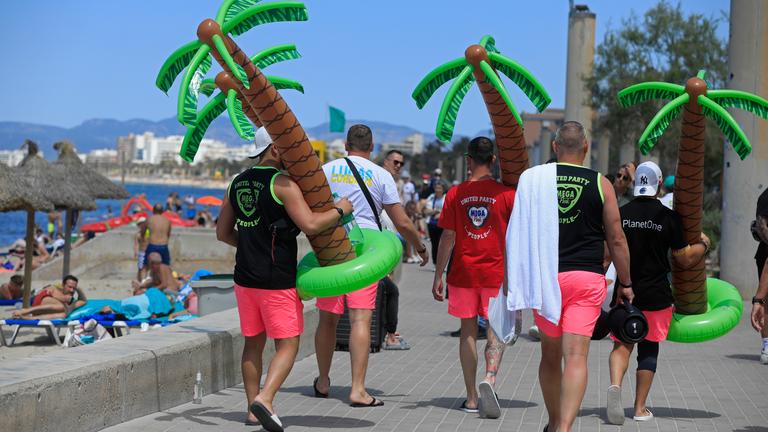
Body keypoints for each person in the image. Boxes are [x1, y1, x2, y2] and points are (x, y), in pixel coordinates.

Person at [217, 126, 353, 431]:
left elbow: (222, 233)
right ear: (276, 150)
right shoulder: (282, 183)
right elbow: (311, 223)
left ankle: (252, 411)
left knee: (252, 343)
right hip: (276, 279)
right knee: (289, 343)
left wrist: (253, 244)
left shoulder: (236, 183)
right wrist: (340, 210)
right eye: (287, 149)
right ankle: (265, 399)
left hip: (244, 278)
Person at [315, 124, 427, 408]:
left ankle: (324, 380)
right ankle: (357, 390)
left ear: (346, 145)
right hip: (366, 252)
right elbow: (401, 221)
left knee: (327, 319)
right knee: (360, 320)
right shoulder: (381, 175)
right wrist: (419, 246)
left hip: (332, 248)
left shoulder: (327, 170)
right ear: (372, 147)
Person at [533, 122, 632, 432]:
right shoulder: (601, 184)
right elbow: (616, 239)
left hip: (547, 278)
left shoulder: (537, 180)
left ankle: (553, 422)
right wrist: (626, 283)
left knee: (550, 354)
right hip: (586, 278)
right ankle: (564, 428)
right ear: (587, 148)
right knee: (576, 356)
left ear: (554, 147)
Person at [606, 161, 710, 425]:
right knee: (648, 350)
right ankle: (640, 409)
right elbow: (684, 259)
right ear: (659, 184)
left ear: (634, 181)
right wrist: (703, 245)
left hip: (625, 291)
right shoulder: (668, 218)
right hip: (657, 294)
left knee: (622, 343)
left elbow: (608, 252)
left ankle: (615, 387)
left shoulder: (622, 212)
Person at [432, 136, 515, 419]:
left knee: (467, 331)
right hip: (495, 272)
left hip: (462, 273)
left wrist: (438, 274)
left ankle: (470, 398)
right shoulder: (506, 195)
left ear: (468, 161)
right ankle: (489, 379)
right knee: (494, 328)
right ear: (493, 160)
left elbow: (448, 236)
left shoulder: (455, 194)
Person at [380, 149, 410, 350]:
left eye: (401, 163)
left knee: (386, 288)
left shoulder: (395, 183)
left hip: (389, 241)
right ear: (386, 161)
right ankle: (389, 334)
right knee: (389, 290)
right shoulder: (381, 179)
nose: (398, 166)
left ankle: (384, 331)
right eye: (395, 162)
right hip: (379, 243)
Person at [12, 275, 87, 319]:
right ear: (63, 285)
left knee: (63, 314)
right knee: (62, 306)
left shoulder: (72, 302)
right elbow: (50, 290)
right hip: (41, 300)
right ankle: (25, 311)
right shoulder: (55, 289)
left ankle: (29, 318)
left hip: (41, 312)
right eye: (69, 287)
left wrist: (79, 289)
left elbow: (83, 301)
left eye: (74, 288)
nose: (72, 290)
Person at [750, 188, 768, 364]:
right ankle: (767, 344)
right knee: (766, 301)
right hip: (765, 255)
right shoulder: (766, 196)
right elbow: (761, 225)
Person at [423, 180, 447, 265]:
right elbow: (426, 210)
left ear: (443, 189)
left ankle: (442, 263)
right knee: (434, 244)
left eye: (439, 188)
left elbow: (448, 211)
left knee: (442, 245)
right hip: (432, 224)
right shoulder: (431, 197)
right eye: (436, 188)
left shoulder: (446, 198)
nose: (437, 190)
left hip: (443, 224)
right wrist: (436, 211)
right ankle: (435, 263)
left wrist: (440, 214)